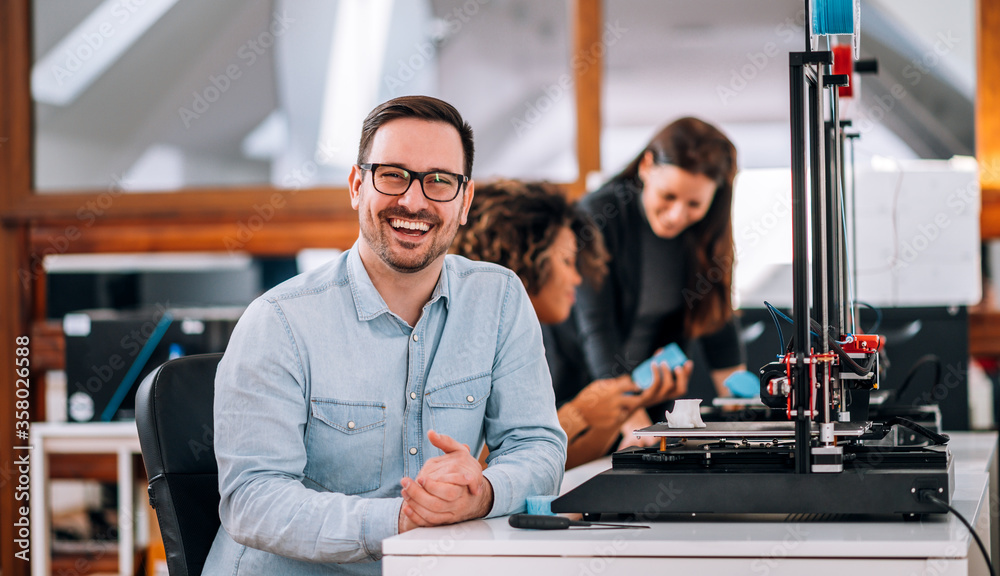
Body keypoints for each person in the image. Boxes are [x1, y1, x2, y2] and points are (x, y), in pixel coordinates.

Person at [204, 97, 567, 575]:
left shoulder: (499, 299)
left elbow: (537, 445)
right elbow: (252, 499)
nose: (414, 201)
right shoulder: (278, 322)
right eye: (393, 175)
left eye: (439, 181)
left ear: (465, 201)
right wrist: (400, 518)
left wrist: (485, 492)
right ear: (357, 185)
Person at [452, 180, 689, 469]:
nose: (577, 279)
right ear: (523, 260)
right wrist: (579, 415)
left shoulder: (521, 344)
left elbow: (552, 465)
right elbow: (476, 465)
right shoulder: (465, 343)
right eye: (566, 261)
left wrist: (610, 416)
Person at [574, 116, 746, 441]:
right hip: (586, 399)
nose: (677, 215)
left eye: (694, 203)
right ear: (646, 166)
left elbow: (715, 320)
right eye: (668, 196)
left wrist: (745, 416)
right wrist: (636, 428)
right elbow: (597, 331)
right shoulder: (597, 217)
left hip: (650, 403)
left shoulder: (704, 233)